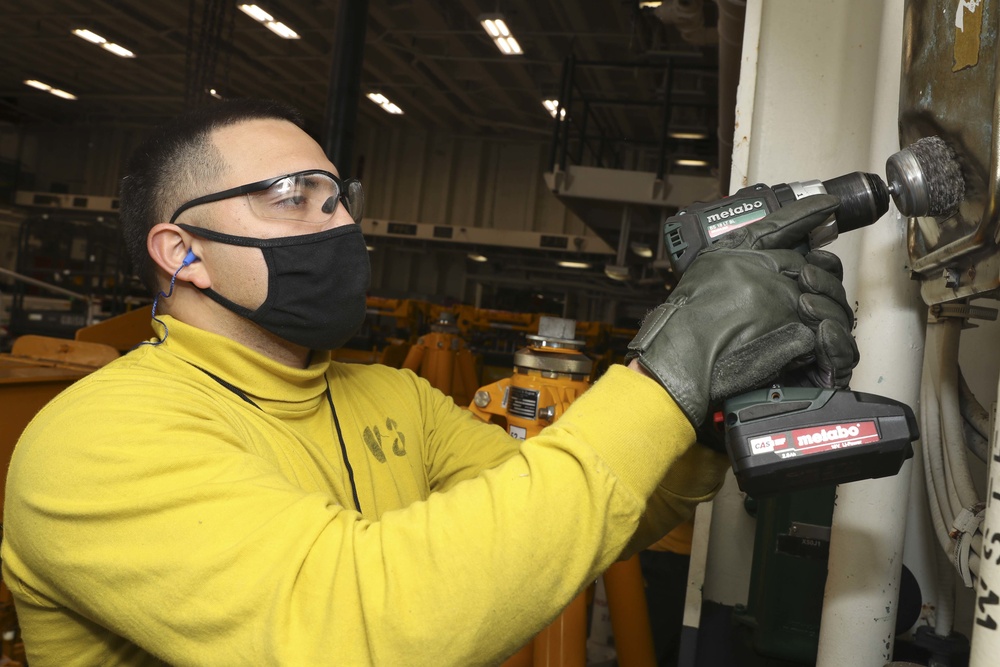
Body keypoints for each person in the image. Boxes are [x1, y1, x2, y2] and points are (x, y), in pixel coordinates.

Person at [0, 98, 858, 666]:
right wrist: (661, 379)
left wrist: (698, 416)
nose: (337, 221)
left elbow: (575, 514)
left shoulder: (392, 396)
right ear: (179, 251)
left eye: (338, 195)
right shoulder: (99, 437)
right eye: (291, 195)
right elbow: (350, 625)